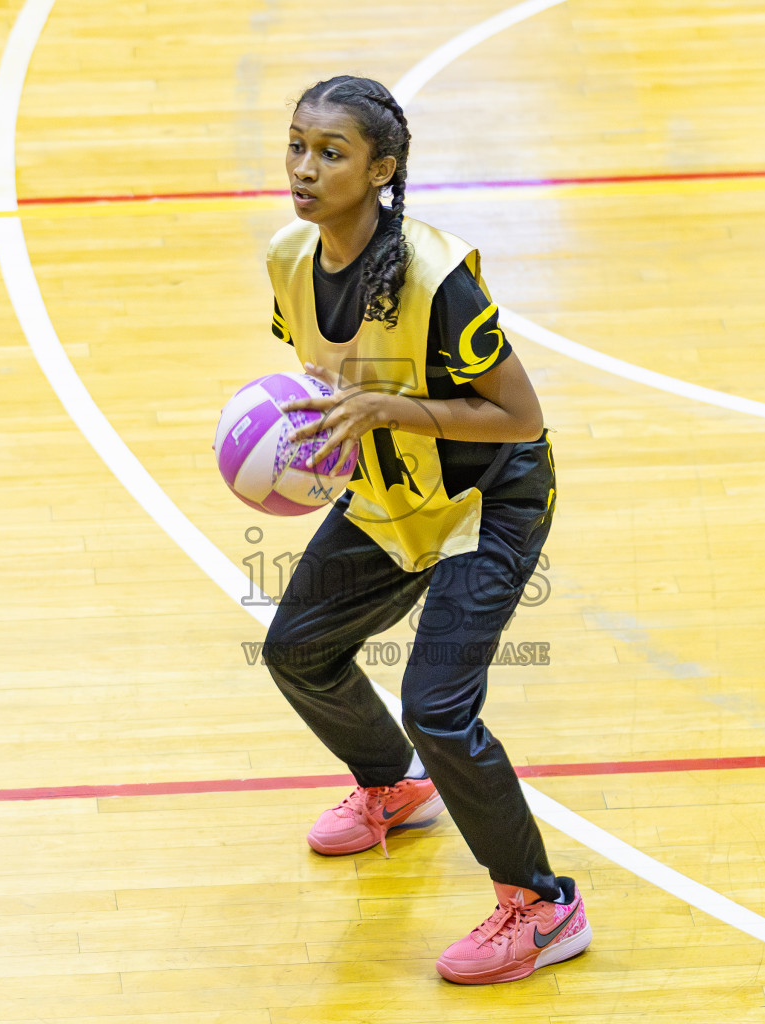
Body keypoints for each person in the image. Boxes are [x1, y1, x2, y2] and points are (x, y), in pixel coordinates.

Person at [261, 75, 590, 985]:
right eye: (296, 145)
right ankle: (392, 786)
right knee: (296, 650)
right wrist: (308, 440)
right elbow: (338, 381)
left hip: (489, 499)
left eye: (331, 153)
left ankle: (542, 905)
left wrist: (391, 410)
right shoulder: (290, 260)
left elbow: (519, 415)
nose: (305, 167)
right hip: (390, 487)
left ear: (382, 170)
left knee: (440, 705)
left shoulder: (435, 275)